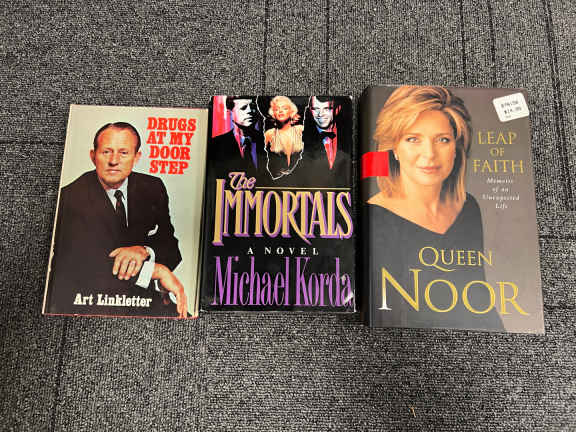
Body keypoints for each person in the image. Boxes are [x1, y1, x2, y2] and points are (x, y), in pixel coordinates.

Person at [367, 86, 503, 330]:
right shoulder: (375, 217)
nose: (429, 154)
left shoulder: (468, 207)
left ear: (456, 148)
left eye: (442, 140)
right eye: (413, 139)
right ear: (394, 148)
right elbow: (386, 318)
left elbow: (479, 299)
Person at [47, 122, 187, 317]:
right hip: (89, 302)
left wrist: (144, 250)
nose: (114, 161)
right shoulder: (70, 197)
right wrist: (157, 271)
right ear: (93, 156)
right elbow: (82, 266)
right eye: (106, 152)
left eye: (123, 153)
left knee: (186, 319)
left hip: (142, 296)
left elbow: (171, 246)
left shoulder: (153, 187)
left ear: (136, 157)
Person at [300, 96, 351, 187]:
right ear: (310, 110)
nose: (320, 114)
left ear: (337, 110)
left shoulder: (347, 133)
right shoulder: (300, 138)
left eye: (327, 109)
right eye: (315, 109)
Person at [211, 97, 266, 179]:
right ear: (230, 113)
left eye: (253, 107)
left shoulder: (269, 141)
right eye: (243, 108)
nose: (250, 111)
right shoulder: (215, 145)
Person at [264, 96, 304, 180]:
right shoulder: (269, 134)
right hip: (276, 181)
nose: (280, 111)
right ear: (273, 114)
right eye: (276, 109)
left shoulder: (301, 130)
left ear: (291, 112)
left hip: (300, 179)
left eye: (284, 108)